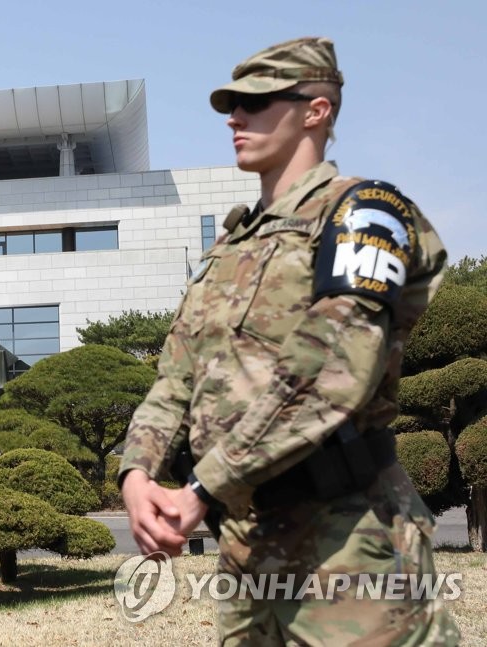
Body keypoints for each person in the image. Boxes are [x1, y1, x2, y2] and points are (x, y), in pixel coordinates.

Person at [119, 37, 460, 645]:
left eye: (257, 102)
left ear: (316, 111)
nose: (235, 117)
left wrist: (203, 486)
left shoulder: (364, 214)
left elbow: (332, 368)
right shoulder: (229, 248)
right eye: (232, 105)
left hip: (348, 538)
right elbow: (175, 379)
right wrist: (137, 474)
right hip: (244, 545)